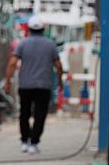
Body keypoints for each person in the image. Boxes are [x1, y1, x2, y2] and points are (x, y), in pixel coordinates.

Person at [4, 16, 64, 154]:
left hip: (25, 85)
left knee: (24, 113)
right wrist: (60, 81)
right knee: (40, 115)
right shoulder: (50, 45)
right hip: (44, 86)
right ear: (43, 29)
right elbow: (58, 66)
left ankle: (24, 141)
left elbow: (12, 63)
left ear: (29, 29)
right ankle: (34, 142)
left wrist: (8, 82)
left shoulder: (23, 44)